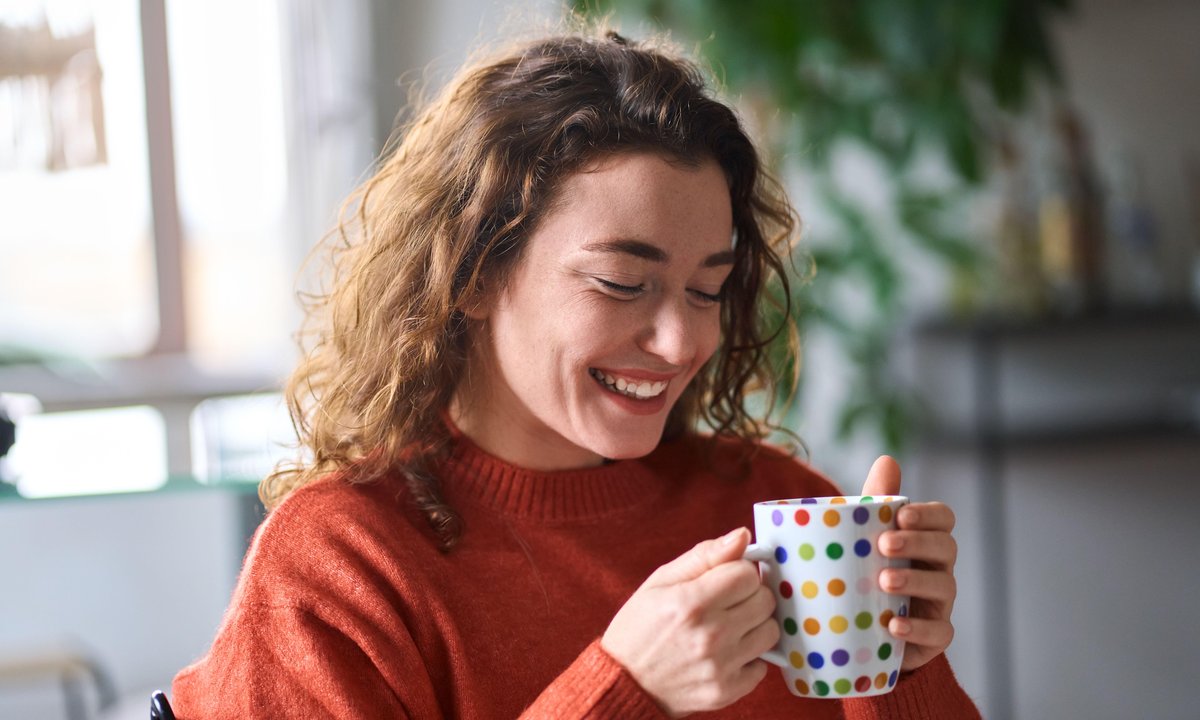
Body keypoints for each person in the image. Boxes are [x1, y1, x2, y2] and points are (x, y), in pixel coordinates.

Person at [171, 27, 979, 719]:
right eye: (623, 283)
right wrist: (625, 690)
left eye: (708, 289)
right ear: (476, 272)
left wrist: (897, 665)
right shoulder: (340, 565)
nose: (679, 340)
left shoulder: (771, 512)